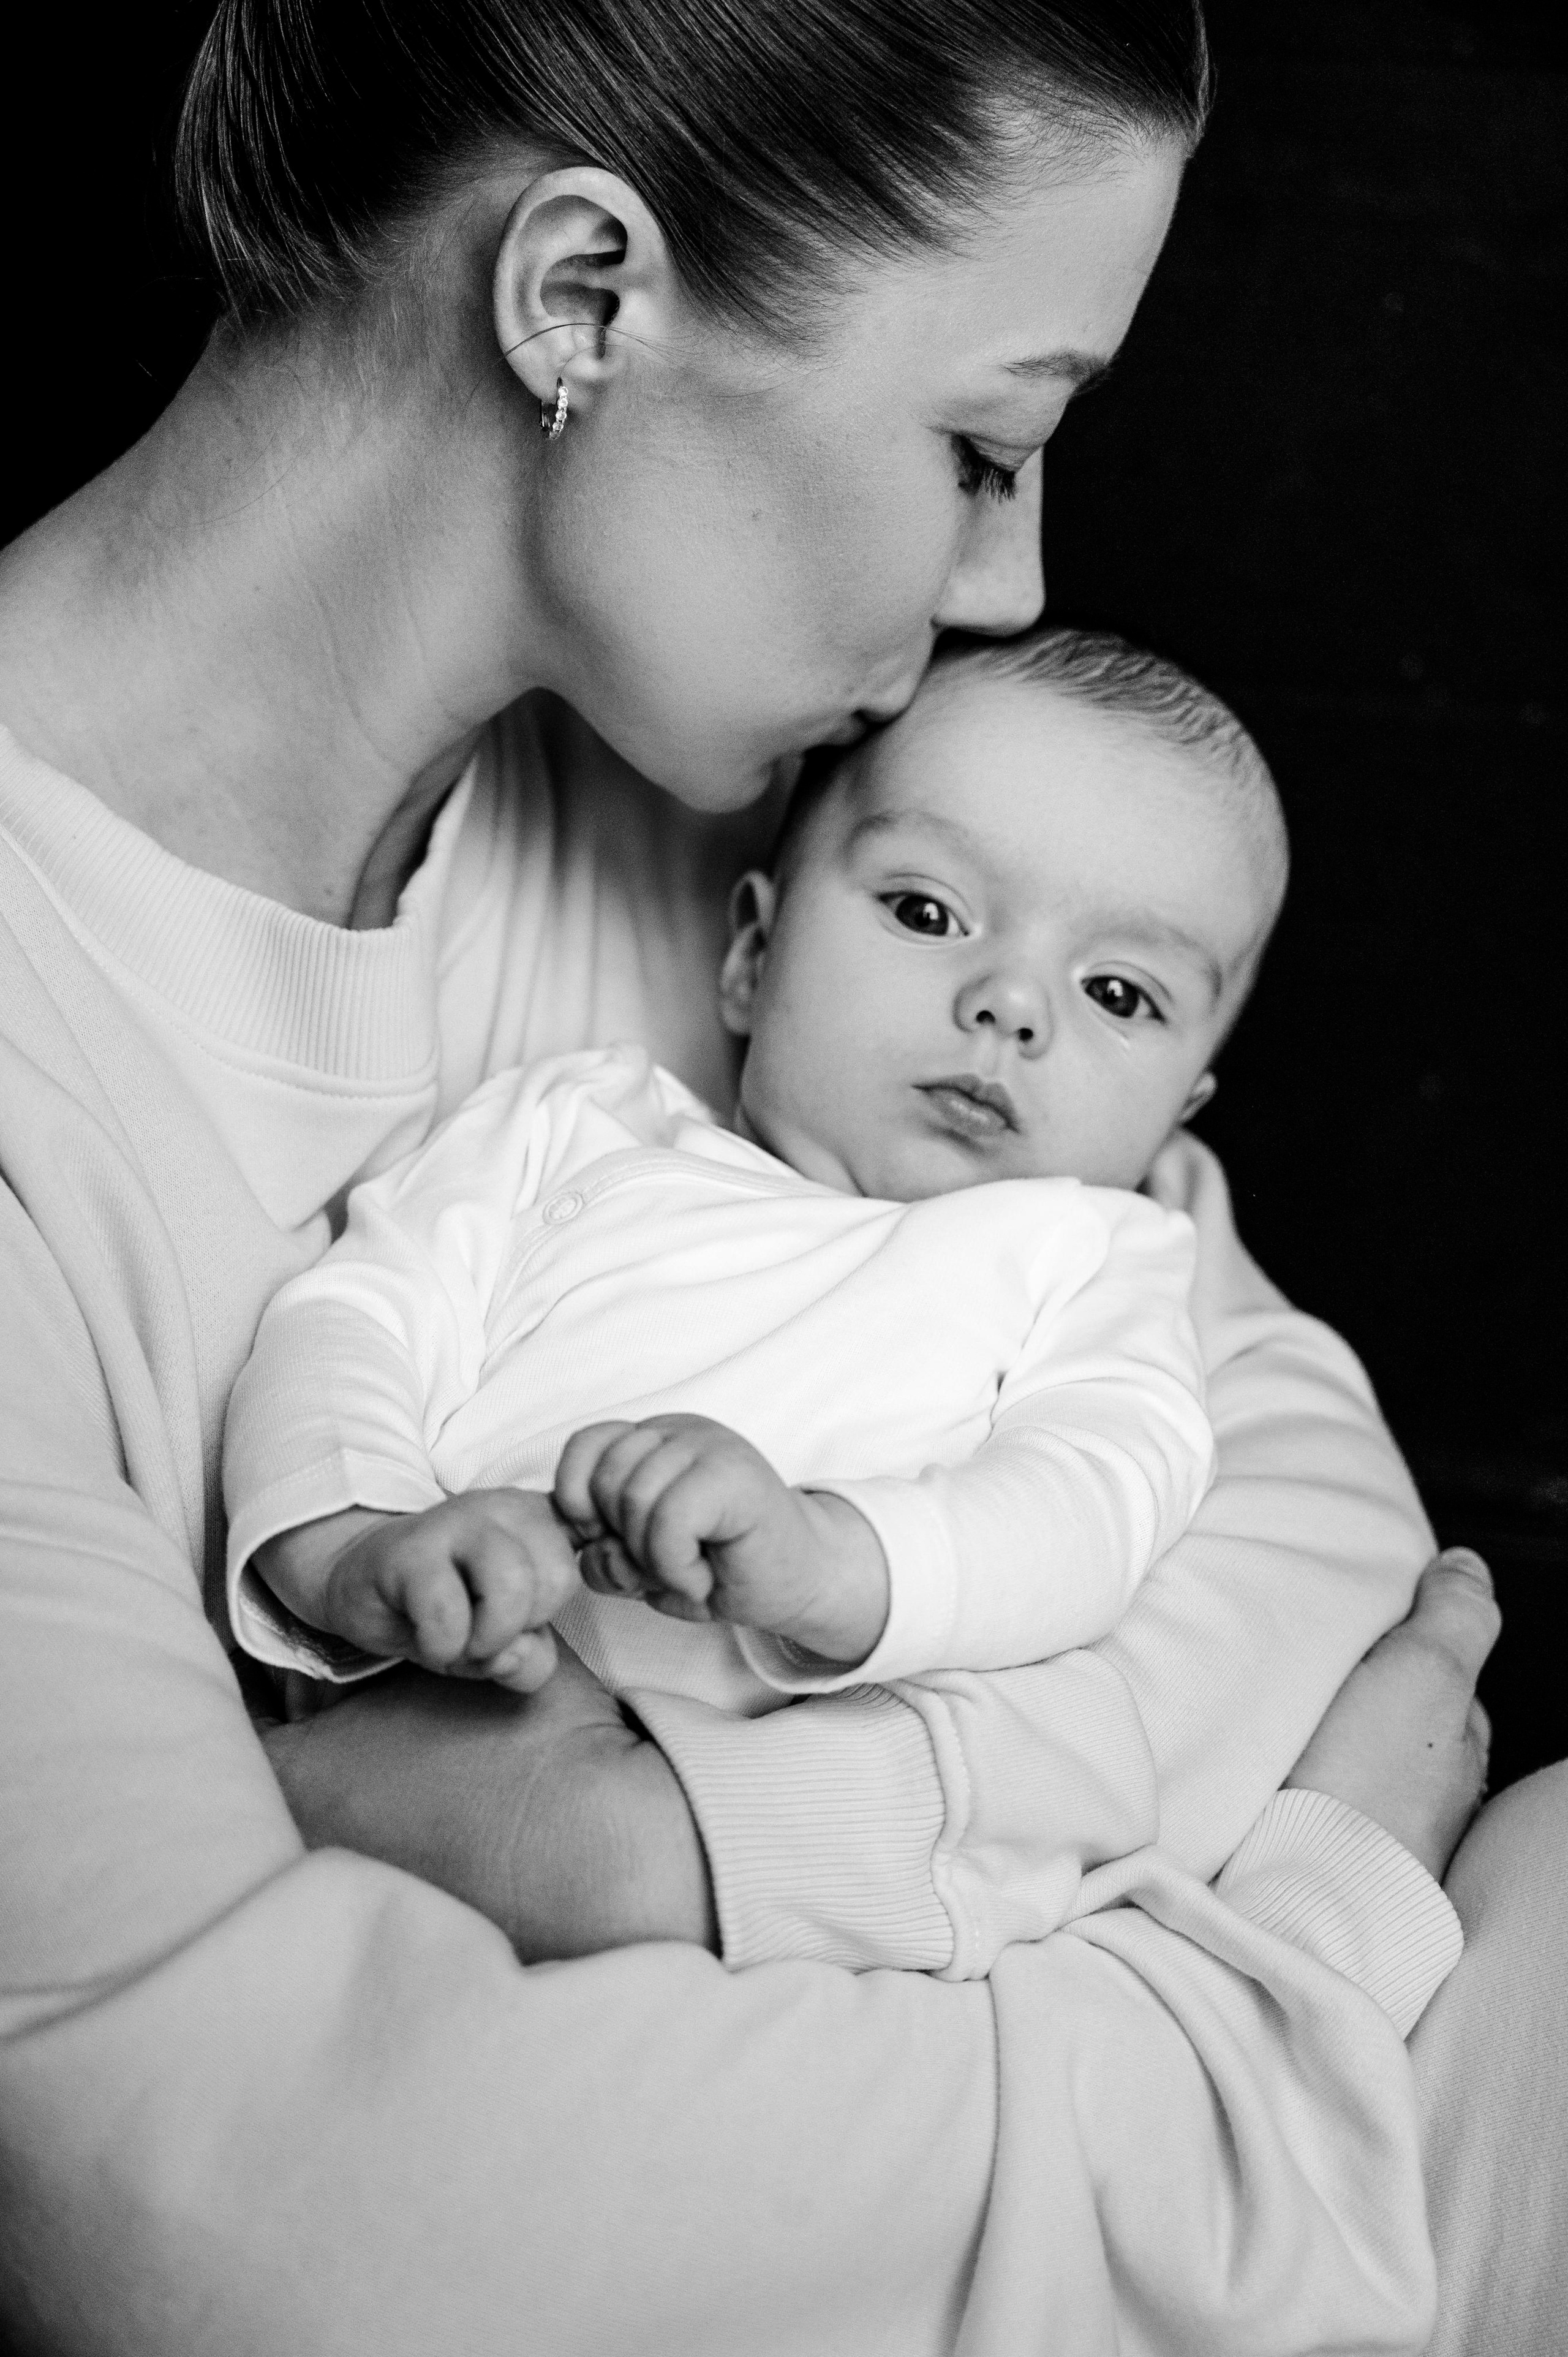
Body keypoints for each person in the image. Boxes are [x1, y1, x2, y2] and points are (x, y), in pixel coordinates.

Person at [0, 2, 1549, 2351]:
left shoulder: (763, 807)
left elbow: (1285, 1467)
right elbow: (254, 2224)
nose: (1019, 581)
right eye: (983, 441)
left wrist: (711, 1838)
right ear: (585, 298)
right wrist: (1309, 1943)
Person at [224, 629, 1281, 1719]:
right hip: (402, 1706)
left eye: (1119, 993)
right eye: (929, 912)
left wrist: (828, 1555)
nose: (1012, 1004)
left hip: (752, 1809)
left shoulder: (1095, 1263)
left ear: (1176, 1119)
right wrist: (359, 1546)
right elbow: (349, 1328)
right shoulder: (576, 1126)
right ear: (751, 959)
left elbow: (1095, 1507)